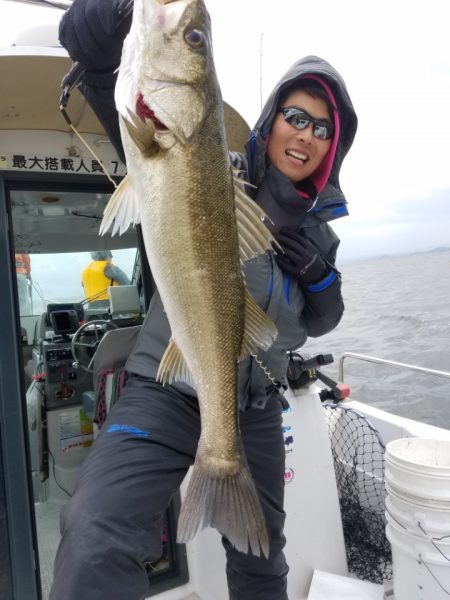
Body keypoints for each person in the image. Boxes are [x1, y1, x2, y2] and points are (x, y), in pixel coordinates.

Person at [51, 1, 358, 599]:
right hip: (164, 389)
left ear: (333, 145)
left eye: (324, 128)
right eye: (297, 115)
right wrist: (95, 59)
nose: (307, 135)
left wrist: (320, 275)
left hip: (255, 404)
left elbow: (326, 320)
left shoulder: (321, 232)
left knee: (262, 563)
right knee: (94, 532)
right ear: (273, 120)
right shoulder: (219, 169)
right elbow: (153, 136)